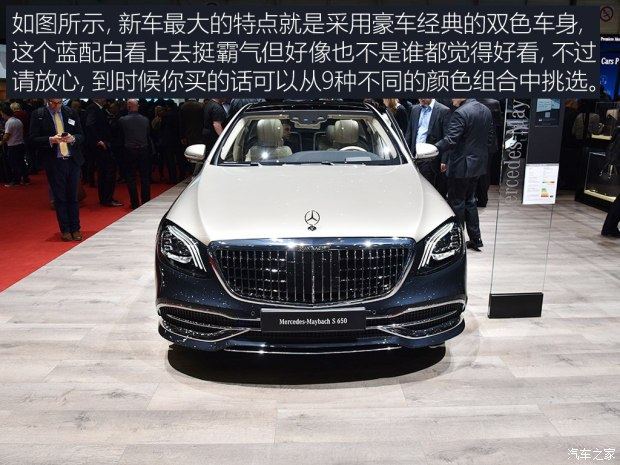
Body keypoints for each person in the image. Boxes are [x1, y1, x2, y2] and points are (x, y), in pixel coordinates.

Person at [435, 98, 493, 251]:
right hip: (478, 164)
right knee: (470, 201)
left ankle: (457, 242)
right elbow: (490, 139)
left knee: (457, 202)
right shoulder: (485, 110)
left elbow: (451, 140)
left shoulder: (461, 113)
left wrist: (433, 148)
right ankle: (476, 239)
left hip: (461, 165)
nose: (451, 99)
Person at [29, 98, 85, 241]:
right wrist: (50, 140)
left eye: (59, 102)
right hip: (54, 162)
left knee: (73, 197)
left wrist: (73, 138)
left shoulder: (71, 112)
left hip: (72, 160)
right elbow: (32, 139)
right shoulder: (38, 114)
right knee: (60, 198)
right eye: (53, 103)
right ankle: (65, 230)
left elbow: (81, 135)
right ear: (47, 101)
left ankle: (76, 228)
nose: (56, 106)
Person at [405, 98, 451, 196]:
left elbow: (446, 137)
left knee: (427, 188)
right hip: (413, 155)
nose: (420, 99)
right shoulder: (415, 109)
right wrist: (405, 153)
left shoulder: (443, 110)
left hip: (430, 156)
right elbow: (409, 133)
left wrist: (444, 159)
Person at [85, 98, 122, 206]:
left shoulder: (99, 109)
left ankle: (106, 198)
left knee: (105, 173)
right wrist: (98, 140)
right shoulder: (93, 108)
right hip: (102, 145)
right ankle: (107, 199)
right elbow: (89, 125)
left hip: (103, 144)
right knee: (107, 172)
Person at [118, 99, 153, 209]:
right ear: (137, 106)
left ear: (128, 107)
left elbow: (120, 136)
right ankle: (146, 201)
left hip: (129, 150)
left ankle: (134, 203)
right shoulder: (145, 119)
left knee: (131, 177)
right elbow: (148, 134)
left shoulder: (122, 120)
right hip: (144, 150)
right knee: (145, 177)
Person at [1, 104, 29, 187]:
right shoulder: (18, 120)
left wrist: (1, 142)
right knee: (21, 163)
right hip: (20, 144)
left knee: (14, 164)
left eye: (2, 114)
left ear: (5, 114)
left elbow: (6, 136)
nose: (2, 116)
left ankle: (16, 181)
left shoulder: (9, 122)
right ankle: (25, 179)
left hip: (13, 145)